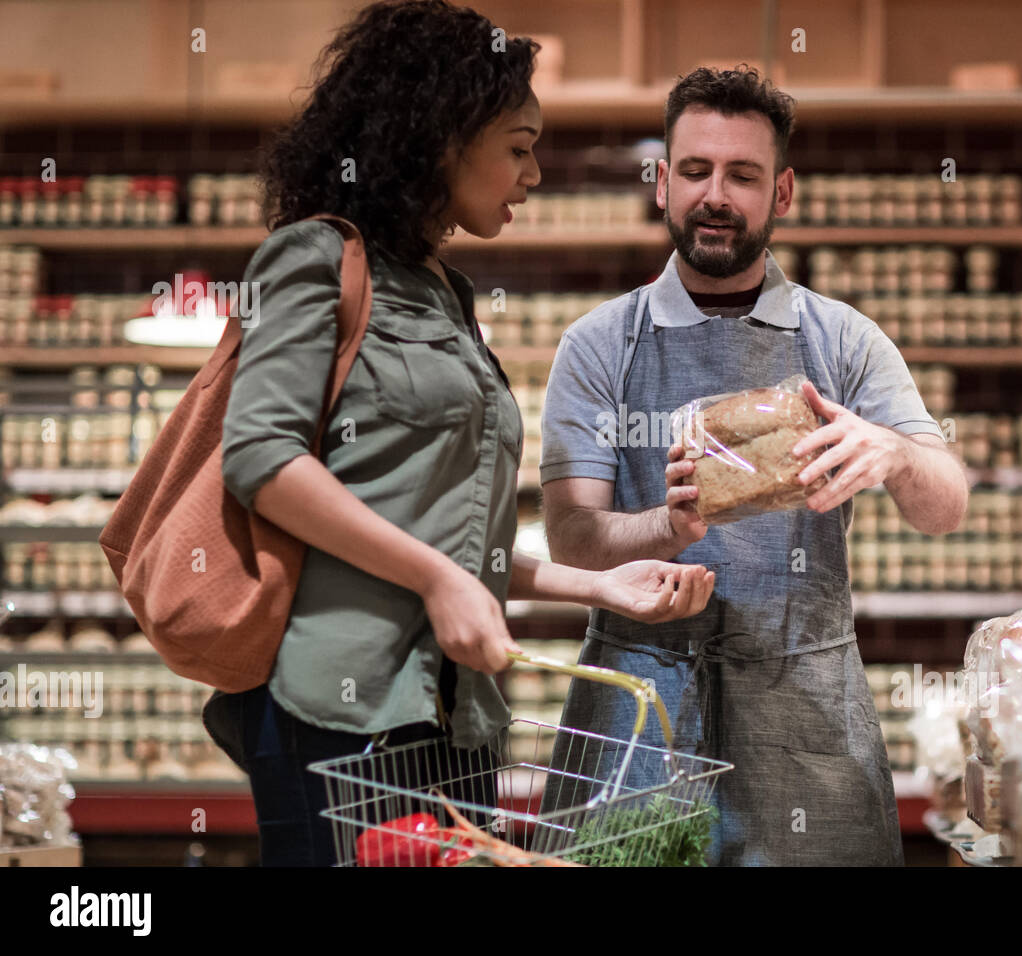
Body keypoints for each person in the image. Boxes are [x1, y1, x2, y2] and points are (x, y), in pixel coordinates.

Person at [201, 0, 714, 867]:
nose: (534, 173)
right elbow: (261, 457)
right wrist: (438, 581)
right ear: (441, 136)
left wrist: (603, 588)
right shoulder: (316, 258)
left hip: (459, 719)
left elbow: (450, 540)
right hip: (342, 714)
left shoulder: (448, 293)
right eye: (518, 147)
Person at [539, 66, 969, 866]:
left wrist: (897, 455)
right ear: (663, 182)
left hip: (804, 710)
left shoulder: (844, 340)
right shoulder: (599, 344)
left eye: (743, 175)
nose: (716, 195)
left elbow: (945, 508)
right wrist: (667, 525)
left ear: (783, 193)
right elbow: (571, 538)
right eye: (696, 171)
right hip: (640, 708)